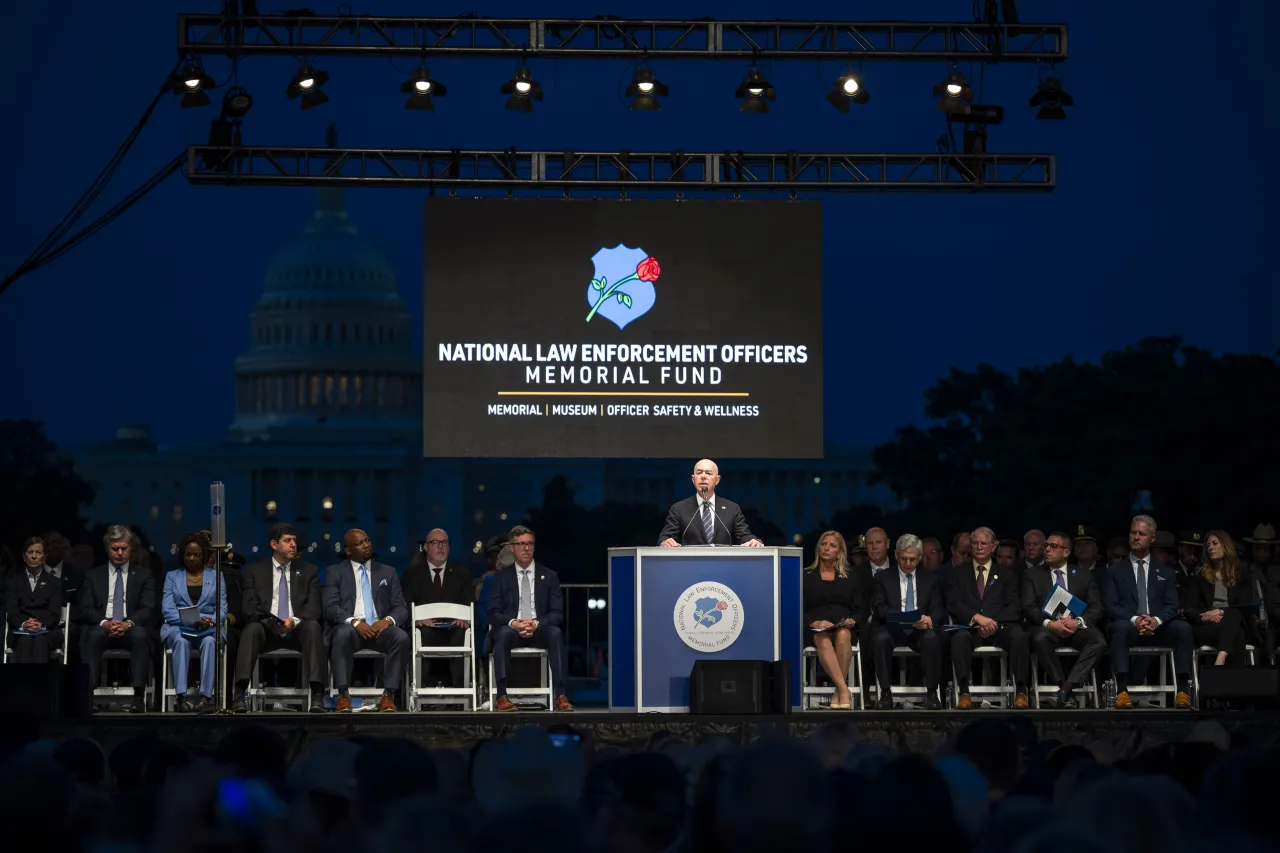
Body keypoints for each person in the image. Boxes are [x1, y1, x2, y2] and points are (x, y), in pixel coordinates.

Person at [1099, 514, 1193, 709]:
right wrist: (1136, 620)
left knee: (1183, 628)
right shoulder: (1114, 572)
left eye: (1141, 534)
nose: (1136, 537)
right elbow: (1111, 605)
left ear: (1152, 538)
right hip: (1130, 627)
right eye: (1133, 533)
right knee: (1120, 627)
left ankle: (1183, 690)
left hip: (1158, 627)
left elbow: (1172, 605)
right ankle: (1122, 690)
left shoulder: (1165, 572)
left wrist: (1156, 621)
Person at [231, 522, 325, 713]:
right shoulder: (254, 571)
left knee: (313, 627)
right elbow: (249, 610)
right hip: (267, 628)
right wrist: (272, 621)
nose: (293, 545)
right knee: (251, 630)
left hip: (297, 629)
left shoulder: (309, 571)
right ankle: (239, 694)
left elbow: (314, 608)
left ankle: (317, 694)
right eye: (287, 541)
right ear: (274, 545)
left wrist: (294, 620)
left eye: (294, 541)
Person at [487, 525, 573, 711]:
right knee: (501, 633)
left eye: (530, 544)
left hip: (539, 628)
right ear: (512, 547)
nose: (526, 548)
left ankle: (561, 695)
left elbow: (557, 613)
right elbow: (493, 612)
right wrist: (514, 623)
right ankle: (502, 696)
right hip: (512, 629)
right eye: (521, 544)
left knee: (556, 633)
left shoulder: (549, 576)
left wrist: (536, 623)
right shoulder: (501, 578)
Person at [943, 526, 1031, 709]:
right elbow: (954, 604)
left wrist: (993, 622)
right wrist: (978, 618)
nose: (979, 547)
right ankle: (964, 693)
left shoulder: (1007, 574)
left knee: (1020, 637)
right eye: (975, 543)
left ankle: (1021, 692)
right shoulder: (957, 573)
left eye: (983, 543)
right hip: (971, 628)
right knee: (958, 639)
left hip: (999, 628)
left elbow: (1014, 607)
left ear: (994, 546)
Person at [324, 529, 409, 713]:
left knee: (401, 637)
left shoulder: (388, 572)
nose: (366, 545)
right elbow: (331, 607)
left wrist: (387, 620)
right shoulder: (335, 572)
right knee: (341, 634)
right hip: (352, 628)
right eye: (360, 543)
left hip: (380, 629)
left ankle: (389, 695)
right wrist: (355, 622)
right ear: (348, 551)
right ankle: (343, 695)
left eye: (367, 541)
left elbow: (401, 608)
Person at [1020, 531, 1105, 708]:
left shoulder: (1083, 574)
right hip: (1047, 627)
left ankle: (1066, 690)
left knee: (1098, 641)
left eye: (1053, 546)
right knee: (1039, 638)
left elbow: (1096, 607)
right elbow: (1028, 607)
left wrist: (1078, 622)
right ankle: (1063, 687)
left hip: (1075, 627)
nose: (1047, 550)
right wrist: (1050, 624)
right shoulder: (1032, 574)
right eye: (1046, 546)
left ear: (1066, 552)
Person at [77, 525, 155, 713]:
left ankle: (137, 697)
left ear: (130, 548)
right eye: (115, 549)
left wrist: (128, 623)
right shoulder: (93, 575)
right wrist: (106, 623)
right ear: (107, 549)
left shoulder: (144, 575)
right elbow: (86, 608)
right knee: (93, 636)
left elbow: (148, 607)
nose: (120, 553)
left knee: (140, 636)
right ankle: (90, 695)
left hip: (131, 624)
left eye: (124, 548)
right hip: (103, 624)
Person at [869, 534, 944, 709]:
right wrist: (907, 620)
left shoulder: (930, 579)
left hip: (920, 630)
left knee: (932, 639)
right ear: (896, 555)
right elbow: (880, 608)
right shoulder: (882, 578)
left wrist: (930, 618)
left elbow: (938, 608)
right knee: (879, 639)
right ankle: (886, 693)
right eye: (904, 559)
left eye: (913, 559)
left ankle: (932, 693)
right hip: (892, 627)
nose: (908, 563)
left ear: (920, 557)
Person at [160, 533, 228, 712]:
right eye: (187, 554)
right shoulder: (172, 576)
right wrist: (192, 620)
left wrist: (209, 622)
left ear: (204, 556)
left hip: (208, 629)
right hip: (178, 627)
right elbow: (167, 610)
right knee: (181, 642)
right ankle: (181, 697)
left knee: (210, 642)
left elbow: (222, 610)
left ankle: (205, 698)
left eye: (196, 555)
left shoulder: (216, 576)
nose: (191, 558)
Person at [402, 528, 474, 688]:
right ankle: (422, 689)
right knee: (421, 634)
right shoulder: (411, 574)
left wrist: (464, 618)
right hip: (425, 629)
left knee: (463, 633)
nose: (440, 547)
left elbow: (470, 603)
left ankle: (459, 691)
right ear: (426, 547)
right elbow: (404, 604)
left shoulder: (462, 574)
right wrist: (417, 619)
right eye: (435, 543)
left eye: (444, 543)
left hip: (453, 629)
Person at [1183, 530, 1261, 668]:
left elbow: (1244, 607)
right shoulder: (1200, 576)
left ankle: (1220, 659)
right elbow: (1189, 608)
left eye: (1214, 543)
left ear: (1225, 546)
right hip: (1207, 627)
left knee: (1236, 620)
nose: (1210, 548)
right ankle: (1234, 682)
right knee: (1237, 633)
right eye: (1208, 545)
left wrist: (1220, 611)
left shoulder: (1241, 575)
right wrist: (1204, 617)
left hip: (1233, 622)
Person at [802, 531, 860, 709]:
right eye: (823, 544)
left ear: (840, 552)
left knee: (843, 635)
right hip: (815, 629)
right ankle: (843, 689)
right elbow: (797, 607)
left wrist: (852, 620)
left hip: (843, 626)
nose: (826, 548)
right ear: (818, 547)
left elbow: (861, 608)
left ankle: (839, 691)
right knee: (823, 638)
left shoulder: (851, 576)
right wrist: (814, 623)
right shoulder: (805, 575)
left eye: (832, 545)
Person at [658, 459, 762, 546]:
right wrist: (665, 541)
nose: (703, 476)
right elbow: (666, 537)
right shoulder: (679, 509)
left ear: (717, 480)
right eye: (699, 473)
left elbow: (744, 536)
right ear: (693, 479)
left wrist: (753, 541)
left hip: (723, 565)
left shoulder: (732, 508)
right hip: (689, 566)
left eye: (708, 473)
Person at [5, 536, 63, 664]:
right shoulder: (13, 581)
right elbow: (12, 612)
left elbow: (54, 614)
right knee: (25, 640)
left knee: (41, 639)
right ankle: (22, 683)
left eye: (38, 552)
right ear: (24, 556)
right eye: (30, 552)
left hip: (46, 630)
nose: (34, 556)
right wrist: (25, 624)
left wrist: (40, 625)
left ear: (45, 557)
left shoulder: (54, 582)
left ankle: (39, 682)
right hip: (20, 630)